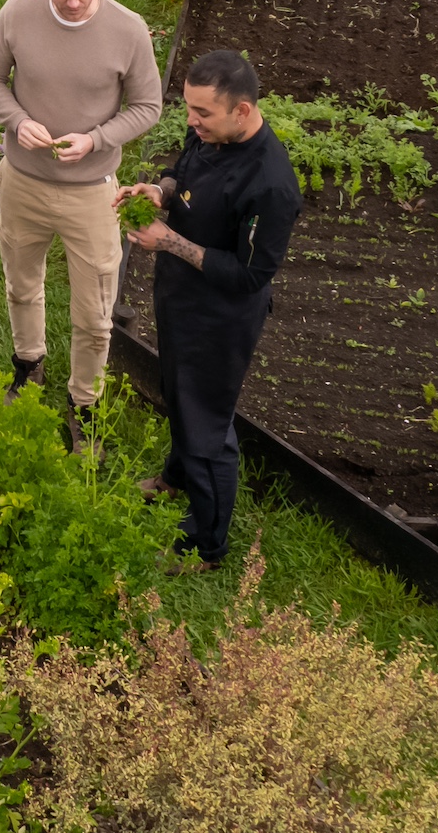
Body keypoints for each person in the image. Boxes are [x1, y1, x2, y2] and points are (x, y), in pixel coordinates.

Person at [0, 0, 164, 434]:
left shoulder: (129, 29)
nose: (74, 2)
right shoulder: (17, 13)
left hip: (92, 190)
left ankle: (84, 405)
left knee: (96, 311)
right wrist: (16, 118)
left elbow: (148, 107)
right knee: (21, 284)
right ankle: (28, 364)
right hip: (22, 180)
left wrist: (97, 140)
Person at [122, 47, 303, 567]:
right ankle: (176, 479)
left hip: (219, 320)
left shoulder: (270, 185)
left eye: (202, 113)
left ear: (242, 111)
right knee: (180, 394)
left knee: (207, 424)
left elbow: (252, 275)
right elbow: (183, 173)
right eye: (188, 109)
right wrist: (159, 191)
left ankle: (206, 545)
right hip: (182, 299)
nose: (191, 121)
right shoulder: (206, 132)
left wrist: (168, 243)